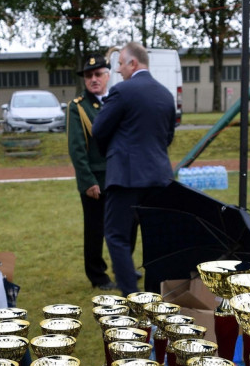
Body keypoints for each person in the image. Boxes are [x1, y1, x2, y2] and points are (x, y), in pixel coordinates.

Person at [92, 42, 176, 296]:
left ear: (133, 63)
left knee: (117, 237)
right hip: (159, 178)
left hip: (126, 177)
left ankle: (130, 293)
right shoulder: (165, 94)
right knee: (155, 239)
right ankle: (154, 291)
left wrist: (117, 149)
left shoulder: (122, 91)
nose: (117, 70)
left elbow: (99, 129)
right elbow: (167, 136)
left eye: (120, 64)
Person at [67, 54, 116, 291]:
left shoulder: (117, 100)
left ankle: (121, 266)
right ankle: (98, 276)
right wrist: (87, 181)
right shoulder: (79, 107)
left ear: (107, 75)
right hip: (96, 179)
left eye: (98, 74)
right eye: (89, 76)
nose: (94, 79)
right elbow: (77, 148)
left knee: (123, 227)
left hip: (119, 176)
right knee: (95, 231)